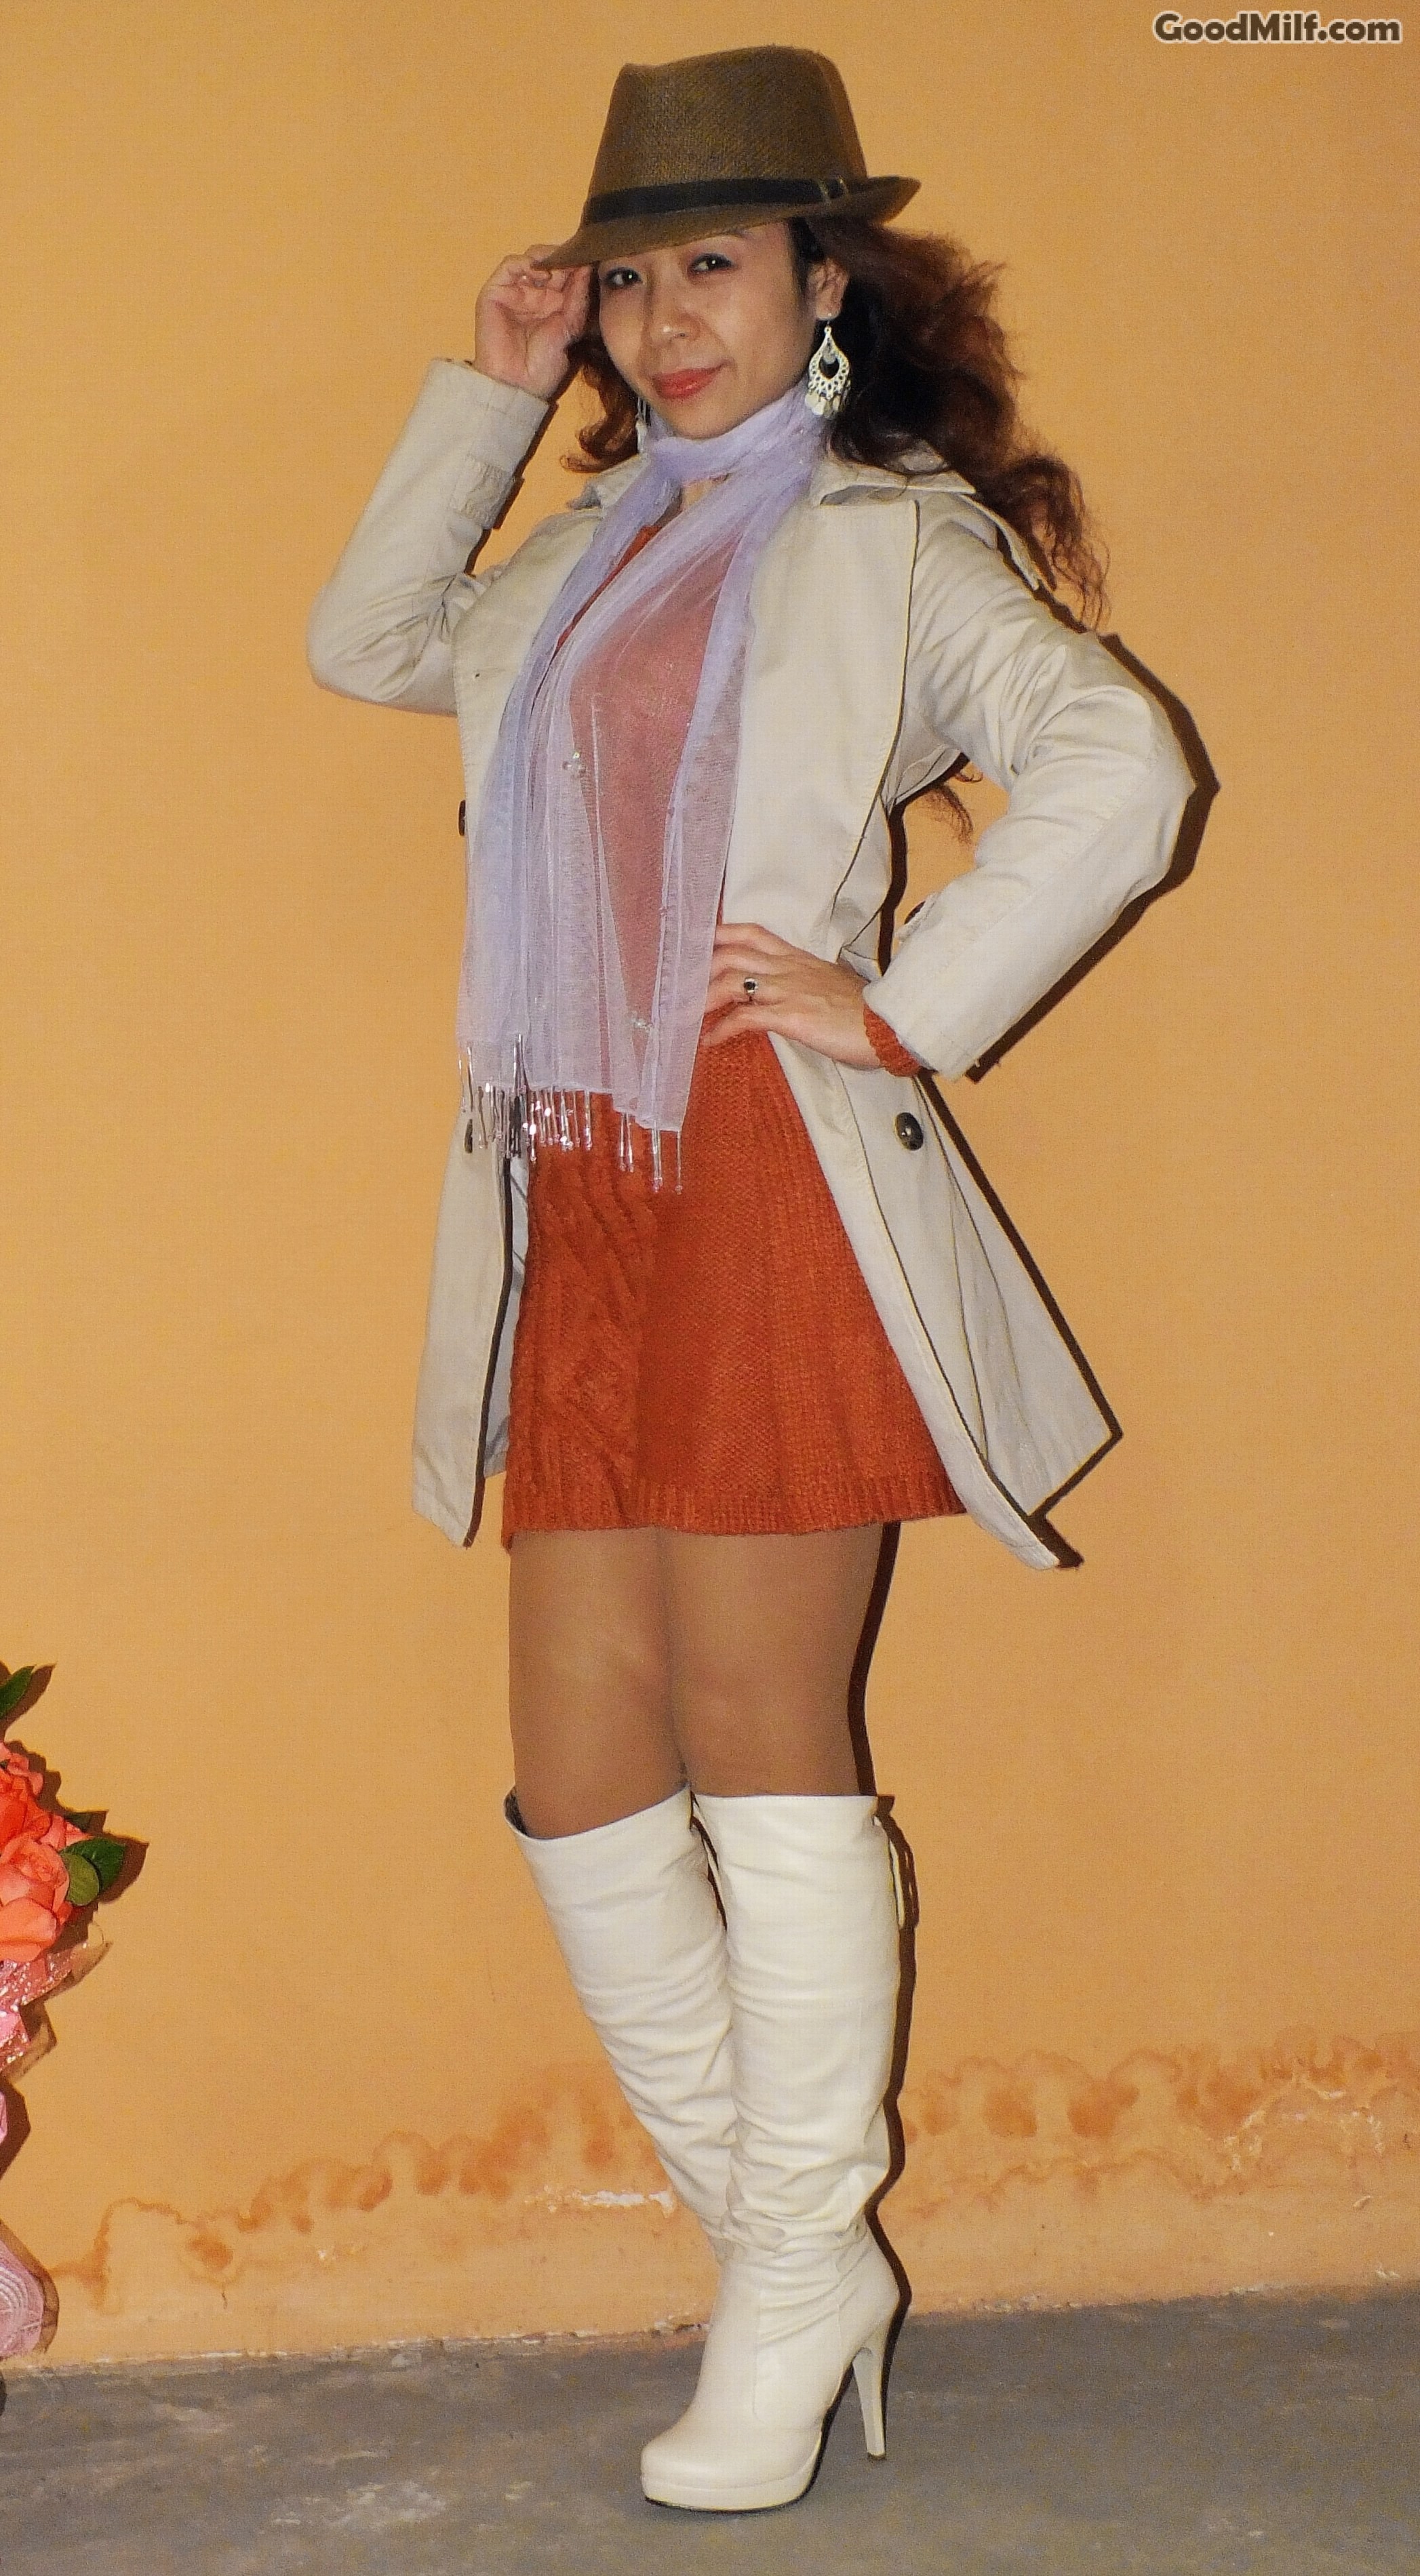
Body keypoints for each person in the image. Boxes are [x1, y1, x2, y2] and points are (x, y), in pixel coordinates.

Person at [308, 43, 1195, 2516]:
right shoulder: (580, 559)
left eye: (713, 262)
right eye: (626, 278)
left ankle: (793, 2283)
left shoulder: (893, 542)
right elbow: (368, 641)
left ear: (825, 284)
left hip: (771, 1176)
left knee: (758, 1727)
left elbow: (1115, 766)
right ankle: (795, 2256)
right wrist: (490, 398)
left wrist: (897, 1002)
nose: (664, 318)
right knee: (582, 1772)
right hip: (575, 1180)